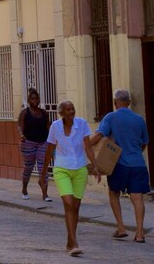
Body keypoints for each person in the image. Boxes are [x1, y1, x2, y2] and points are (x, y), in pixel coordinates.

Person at [91, 89, 151, 243]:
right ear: (129, 103)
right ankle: (139, 233)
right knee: (138, 198)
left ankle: (121, 227)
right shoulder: (140, 119)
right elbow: (144, 143)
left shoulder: (110, 117)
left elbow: (99, 135)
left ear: (114, 102)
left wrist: (83, 146)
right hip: (138, 164)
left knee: (113, 193)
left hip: (118, 164)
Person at [44, 100, 100, 257]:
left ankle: (70, 241)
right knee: (68, 203)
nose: (71, 111)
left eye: (72, 108)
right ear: (61, 113)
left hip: (80, 169)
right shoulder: (55, 127)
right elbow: (49, 150)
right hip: (62, 168)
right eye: (68, 109)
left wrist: (95, 166)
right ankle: (74, 243)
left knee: (75, 206)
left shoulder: (81, 124)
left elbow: (87, 146)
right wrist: (43, 174)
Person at [17, 88, 51, 201]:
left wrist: (52, 139)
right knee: (28, 167)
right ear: (29, 100)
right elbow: (20, 126)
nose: (35, 100)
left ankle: (45, 194)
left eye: (36, 98)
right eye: (32, 98)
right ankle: (24, 189)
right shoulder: (25, 113)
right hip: (28, 143)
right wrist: (22, 135)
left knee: (43, 168)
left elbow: (48, 127)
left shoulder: (44, 113)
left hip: (43, 143)